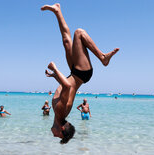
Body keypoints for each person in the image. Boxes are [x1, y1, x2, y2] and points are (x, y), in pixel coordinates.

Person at [42, 3, 119, 144]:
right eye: (59, 136)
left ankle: (57, 11)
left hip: (74, 73)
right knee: (79, 33)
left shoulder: (59, 113)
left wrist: (54, 76)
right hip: (82, 73)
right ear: (62, 129)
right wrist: (54, 68)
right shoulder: (59, 112)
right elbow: (67, 87)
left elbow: (66, 87)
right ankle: (103, 58)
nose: (55, 136)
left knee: (66, 41)